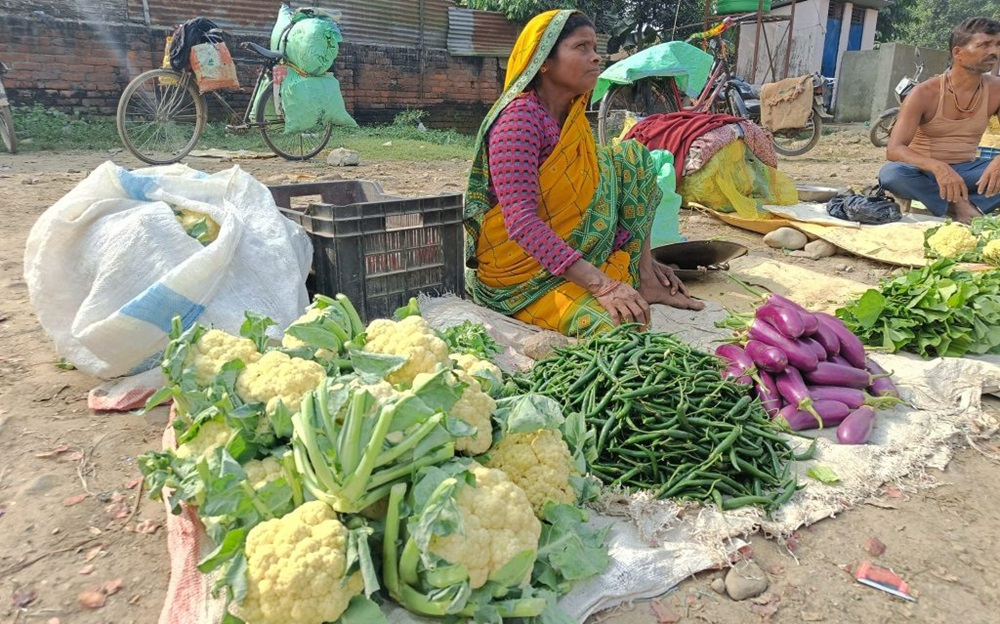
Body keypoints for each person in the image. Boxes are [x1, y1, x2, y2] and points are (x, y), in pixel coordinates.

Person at [464, 10, 703, 338]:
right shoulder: (519, 121)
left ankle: (645, 276)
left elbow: (589, 191)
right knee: (619, 325)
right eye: (581, 47)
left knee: (631, 159)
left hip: (563, 255)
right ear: (543, 61)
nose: (596, 58)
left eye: (595, 48)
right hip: (522, 274)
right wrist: (603, 285)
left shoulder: (569, 116)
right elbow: (520, 222)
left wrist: (640, 264)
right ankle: (604, 281)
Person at [878, 17, 1000, 223]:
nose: (994, 51)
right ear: (958, 53)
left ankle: (964, 206)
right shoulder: (924, 93)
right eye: (984, 45)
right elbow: (895, 149)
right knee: (892, 175)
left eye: (997, 45)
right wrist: (938, 167)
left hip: (967, 173)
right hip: (924, 173)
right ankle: (961, 206)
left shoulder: (996, 90)